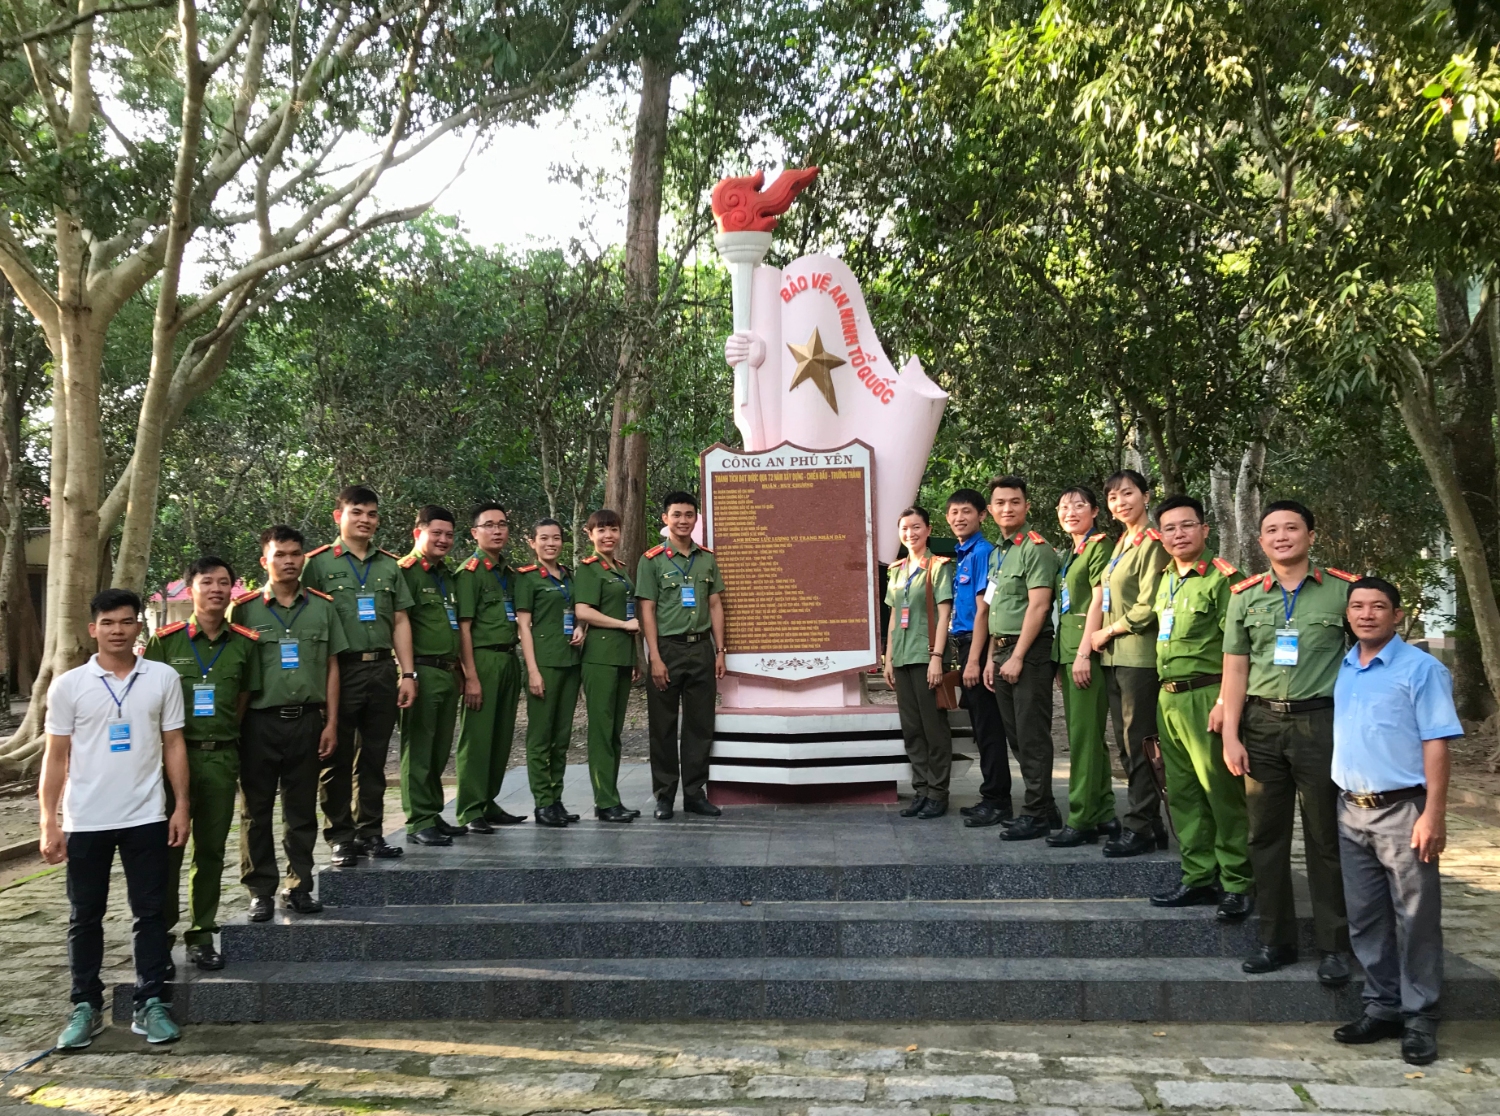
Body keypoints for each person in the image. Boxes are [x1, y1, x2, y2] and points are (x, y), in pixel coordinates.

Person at [43, 589, 187, 1048]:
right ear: (93, 629)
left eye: (126, 622)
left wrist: (180, 804)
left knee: (150, 913)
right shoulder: (69, 685)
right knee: (85, 915)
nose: (118, 630)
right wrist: (49, 819)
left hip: (146, 813)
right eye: (108, 623)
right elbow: (56, 756)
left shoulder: (161, 677)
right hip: (86, 819)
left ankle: (151, 1002)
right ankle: (86, 1005)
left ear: (138, 627)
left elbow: (174, 744)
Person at [1221, 499, 1356, 985]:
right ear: (1260, 542)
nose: (1281, 537)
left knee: (1325, 836)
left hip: (1321, 724)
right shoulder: (1246, 596)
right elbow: (1235, 670)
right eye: (1271, 530)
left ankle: (1335, 945)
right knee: (1265, 835)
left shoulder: (1343, 593)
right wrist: (1231, 735)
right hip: (1260, 726)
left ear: (1311, 536)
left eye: (1291, 528)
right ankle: (1274, 940)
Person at [1330, 577, 1460, 1065]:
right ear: (1348, 614)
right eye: (1358, 606)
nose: (1367, 614)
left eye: (1378, 607)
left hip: (1405, 811)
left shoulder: (1421, 669)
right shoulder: (1344, 666)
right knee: (1366, 918)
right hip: (1350, 810)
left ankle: (1420, 1016)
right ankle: (1381, 1006)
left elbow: (1437, 743)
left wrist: (1434, 814)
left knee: (1417, 919)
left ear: (1397, 615)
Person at [144, 556, 261, 972]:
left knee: (210, 852)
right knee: (168, 851)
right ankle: (161, 935)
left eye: (224, 583)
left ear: (233, 589)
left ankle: (202, 934)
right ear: (190, 588)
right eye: (206, 582)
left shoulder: (246, 643)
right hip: (172, 758)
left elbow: (243, 701)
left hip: (220, 758)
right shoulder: (165, 641)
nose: (216, 589)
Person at [229, 525, 347, 921]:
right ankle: (260, 890)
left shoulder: (322, 606)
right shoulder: (244, 609)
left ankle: (298, 886)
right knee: (256, 810)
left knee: (301, 811)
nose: (290, 561)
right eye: (280, 554)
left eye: (296, 554)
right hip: (259, 723)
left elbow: (332, 665)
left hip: (307, 722)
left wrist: (331, 722)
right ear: (265, 560)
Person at [1148, 496, 1251, 919]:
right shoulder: (1165, 578)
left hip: (1207, 696)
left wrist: (1226, 702)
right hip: (1168, 697)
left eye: (1186, 526)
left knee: (1220, 793)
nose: (1178, 535)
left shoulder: (1224, 580)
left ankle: (1237, 882)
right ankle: (1198, 876)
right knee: (1184, 794)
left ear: (1205, 530)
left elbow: (1236, 649)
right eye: (1169, 528)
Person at [304, 485, 415, 867]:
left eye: (371, 514)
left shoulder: (389, 565)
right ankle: (340, 836)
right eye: (357, 512)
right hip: (340, 670)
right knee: (336, 756)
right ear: (339, 516)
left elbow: (400, 619)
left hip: (383, 670)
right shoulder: (316, 564)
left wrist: (408, 673)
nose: (365, 520)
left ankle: (371, 832)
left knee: (374, 756)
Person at [970, 477, 1059, 840]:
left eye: (1015, 502)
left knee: (1032, 735)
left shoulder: (1035, 549)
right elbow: (993, 610)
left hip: (1030, 651)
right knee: (1017, 737)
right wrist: (991, 657)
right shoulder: (998, 554)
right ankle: (1046, 807)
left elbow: (1039, 606)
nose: (1008, 508)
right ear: (990, 511)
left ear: (1027, 507)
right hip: (1003, 651)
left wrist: (1018, 655)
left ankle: (1037, 813)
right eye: (1001, 503)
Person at [1090, 469, 1167, 857]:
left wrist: (1108, 632)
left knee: (1139, 743)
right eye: (1114, 497)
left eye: (1128, 494)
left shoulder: (1154, 542)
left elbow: (1149, 605)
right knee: (1126, 742)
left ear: (1146, 496)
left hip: (1138, 655)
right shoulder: (1122, 543)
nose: (1121, 502)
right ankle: (1149, 821)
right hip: (1114, 657)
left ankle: (1140, 825)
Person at [637, 491, 727, 820]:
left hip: (701, 648)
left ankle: (694, 793)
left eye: (689, 515)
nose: (683, 520)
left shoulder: (706, 559)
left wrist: (720, 650)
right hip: (668, 650)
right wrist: (654, 657)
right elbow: (646, 610)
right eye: (676, 515)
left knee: (699, 726)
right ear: (665, 519)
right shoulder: (652, 561)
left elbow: (716, 604)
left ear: (696, 519)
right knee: (662, 726)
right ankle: (664, 796)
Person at [1048, 485, 1118, 847]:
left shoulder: (1099, 546)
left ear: (1094, 511)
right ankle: (1104, 811)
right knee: (1086, 736)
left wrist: (1083, 654)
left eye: (1078, 505)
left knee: (1084, 739)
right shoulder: (1069, 553)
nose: (1070, 512)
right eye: (1063, 507)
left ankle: (1081, 817)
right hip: (1068, 650)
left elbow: (1098, 601)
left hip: (1084, 651)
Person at [454, 501, 527, 832]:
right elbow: (464, 628)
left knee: (501, 735)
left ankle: (488, 800)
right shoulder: (469, 573)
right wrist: (470, 676)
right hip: (482, 660)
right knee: (478, 737)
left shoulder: (508, 574)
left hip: (509, 658)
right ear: (475, 532)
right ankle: (470, 808)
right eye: (489, 525)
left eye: (502, 524)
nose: (497, 530)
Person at [397, 505, 466, 845]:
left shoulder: (446, 575)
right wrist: (407, 673)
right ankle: (417, 819)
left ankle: (432, 810)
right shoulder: (406, 573)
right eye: (436, 533)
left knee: (439, 749)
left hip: (447, 671)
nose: (443, 540)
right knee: (419, 747)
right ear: (418, 533)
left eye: (449, 535)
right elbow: (399, 625)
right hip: (421, 670)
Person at [944, 489, 1012, 827]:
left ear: (982, 515)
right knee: (981, 727)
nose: (959, 518)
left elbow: (986, 611)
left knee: (989, 728)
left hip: (978, 645)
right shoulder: (963, 553)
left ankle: (998, 800)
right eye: (954, 512)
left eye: (966, 511)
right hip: (964, 643)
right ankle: (992, 794)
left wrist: (977, 660)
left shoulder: (984, 552)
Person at [884, 506, 954, 819]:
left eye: (916, 527)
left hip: (926, 656)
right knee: (912, 729)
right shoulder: (896, 570)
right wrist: (888, 657)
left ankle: (938, 793)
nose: (910, 533)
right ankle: (922, 789)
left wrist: (937, 658)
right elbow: (892, 616)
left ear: (927, 529)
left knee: (933, 729)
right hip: (901, 657)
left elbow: (944, 614)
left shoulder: (938, 566)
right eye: (904, 529)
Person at [516, 518, 586, 826]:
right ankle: (542, 802)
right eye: (544, 538)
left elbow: (579, 612)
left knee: (562, 737)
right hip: (544, 664)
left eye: (556, 538)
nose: (551, 543)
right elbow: (523, 627)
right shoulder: (528, 578)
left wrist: (582, 627)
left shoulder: (570, 577)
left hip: (570, 662)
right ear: (532, 542)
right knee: (540, 737)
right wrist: (532, 670)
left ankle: (556, 798)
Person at [573, 509, 642, 823]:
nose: (608, 535)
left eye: (613, 529)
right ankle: (604, 801)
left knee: (614, 733)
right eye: (601, 530)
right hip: (599, 658)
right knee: (601, 732)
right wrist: (622, 625)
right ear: (590, 535)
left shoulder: (620, 569)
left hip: (621, 658)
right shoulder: (589, 569)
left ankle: (611, 798)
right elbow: (584, 611)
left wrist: (635, 657)